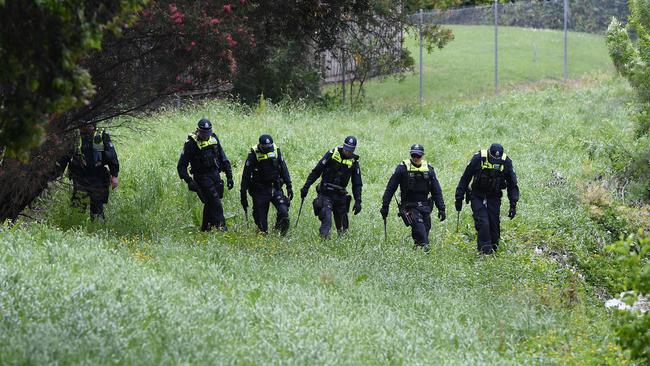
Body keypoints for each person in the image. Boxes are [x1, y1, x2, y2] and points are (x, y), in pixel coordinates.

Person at [454, 143, 519, 254]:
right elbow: (465, 178)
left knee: (494, 224)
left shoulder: (506, 162)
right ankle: (484, 251)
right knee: (483, 222)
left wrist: (513, 204)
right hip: (477, 195)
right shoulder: (478, 158)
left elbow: (512, 184)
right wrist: (459, 197)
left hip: (494, 196)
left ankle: (493, 248)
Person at [380, 144, 445, 252]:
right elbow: (390, 188)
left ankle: (417, 251)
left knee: (426, 228)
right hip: (408, 206)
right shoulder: (402, 169)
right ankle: (426, 249)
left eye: (418, 155)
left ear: (422, 156)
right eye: (413, 155)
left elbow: (436, 190)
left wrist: (441, 208)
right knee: (420, 228)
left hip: (425, 206)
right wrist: (385, 206)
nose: (415, 157)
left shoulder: (429, 170)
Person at [177, 118, 234, 231]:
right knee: (215, 202)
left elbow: (223, 158)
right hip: (201, 177)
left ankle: (205, 229)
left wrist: (229, 176)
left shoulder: (214, 138)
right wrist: (189, 181)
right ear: (198, 131)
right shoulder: (191, 144)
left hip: (215, 175)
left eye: (207, 132)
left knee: (210, 202)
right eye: (203, 133)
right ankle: (222, 229)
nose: (205, 135)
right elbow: (181, 166)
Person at [300, 136, 362, 238]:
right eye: (346, 149)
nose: (348, 152)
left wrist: (358, 200)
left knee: (343, 229)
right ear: (343, 146)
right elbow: (316, 171)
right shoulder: (332, 154)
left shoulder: (354, 162)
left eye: (350, 150)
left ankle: (341, 244)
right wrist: (306, 187)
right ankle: (324, 240)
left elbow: (357, 184)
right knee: (326, 221)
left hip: (340, 196)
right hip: (326, 194)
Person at [240, 134, 293, 235]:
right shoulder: (253, 154)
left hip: (275, 188)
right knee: (262, 228)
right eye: (265, 147)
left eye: (269, 147)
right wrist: (243, 193)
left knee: (283, 212)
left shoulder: (276, 151)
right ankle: (262, 229)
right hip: (260, 191)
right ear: (260, 145)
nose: (267, 149)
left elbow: (284, 169)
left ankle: (279, 231)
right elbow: (246, 175)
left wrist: (289, 186)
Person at [66, 123, 119, 221]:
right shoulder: (75, 135)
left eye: (90, 125)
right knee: (78, 205)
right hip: (80, 175)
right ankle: (76, 226)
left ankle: (97, 227)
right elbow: (66, 155)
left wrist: (114, 175)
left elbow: (111, 155)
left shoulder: (100, 134)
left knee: (97, 205)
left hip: (98, 174)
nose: (87, 127)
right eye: (84, 125)